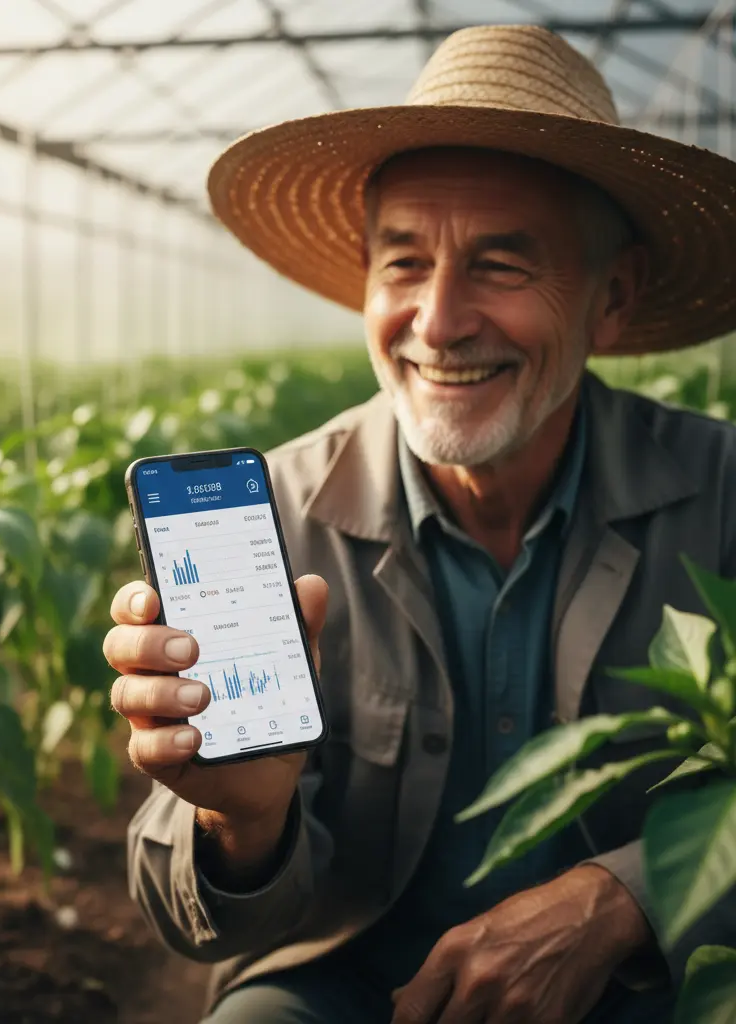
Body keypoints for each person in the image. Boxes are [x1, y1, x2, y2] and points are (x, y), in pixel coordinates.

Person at [103, 23, 736, 1024]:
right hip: (350, 979)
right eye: (403, 265)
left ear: (610, 301)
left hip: (637, 983)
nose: (437, 322)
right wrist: (242, 817)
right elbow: (199, 925)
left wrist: (623, 898)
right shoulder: (276, 510)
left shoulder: (719, 491)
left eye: (500, 265)